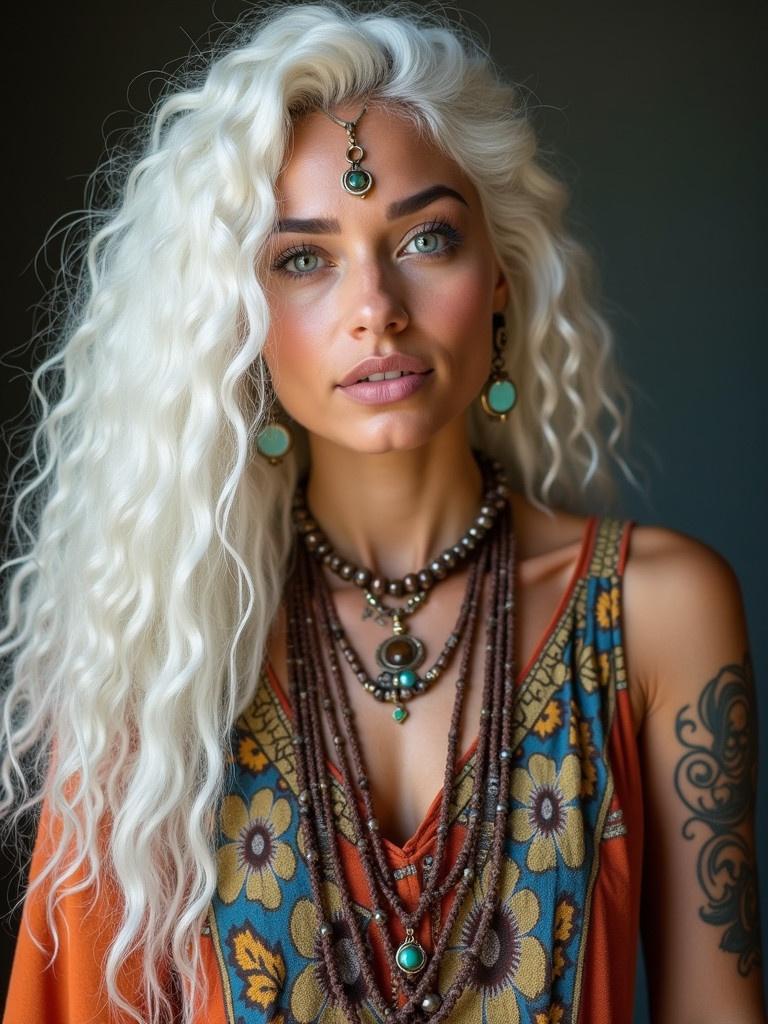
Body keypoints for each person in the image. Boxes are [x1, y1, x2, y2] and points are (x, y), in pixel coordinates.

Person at [1, 3, 764, 1023]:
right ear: (234, 319)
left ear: (499, 278)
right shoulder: (158, 640)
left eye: (426, 237)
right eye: (303, 258)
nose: (377, 307)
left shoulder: (655, 612)